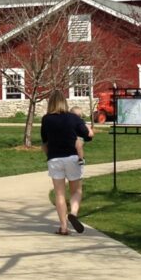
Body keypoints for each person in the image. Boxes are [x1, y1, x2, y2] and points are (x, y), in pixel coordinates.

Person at [39, 89, 94, 235]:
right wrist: (89, 130)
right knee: (76, 190)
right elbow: (87, 136)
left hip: (55, 159)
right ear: (65, 102)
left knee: (59, 194)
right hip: (72, 157)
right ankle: (73, 214)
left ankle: (63, 227)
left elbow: (45, 142)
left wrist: (48, 155)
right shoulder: (73, 117)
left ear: (50, 103)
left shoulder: (46, 119)